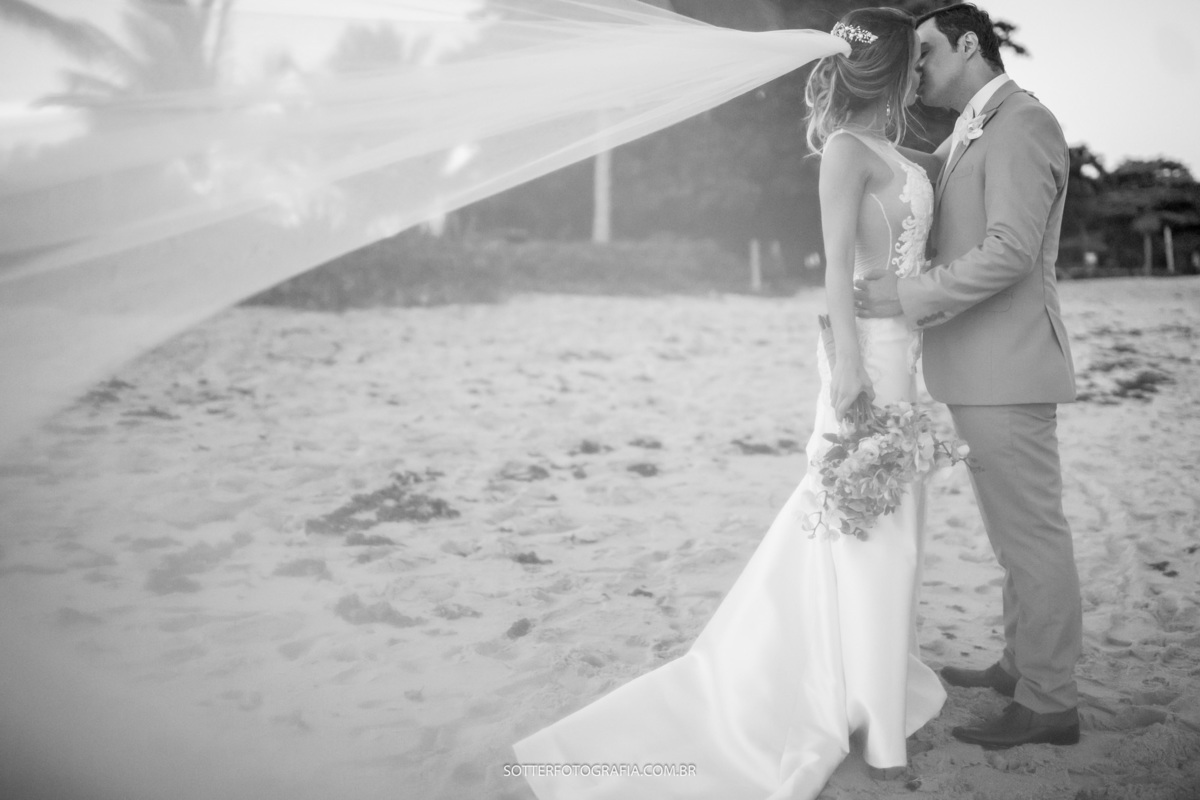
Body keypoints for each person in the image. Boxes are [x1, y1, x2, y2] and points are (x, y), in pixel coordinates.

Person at [512, 9, 949, 798]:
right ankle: (877, 732)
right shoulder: (845, 151)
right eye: (913, 62)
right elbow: (834, 265)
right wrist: (849, 364)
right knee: (871, 532)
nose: (921, 72)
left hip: (905, 353)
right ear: (888, 70)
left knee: (894, 534)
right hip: (869, 357)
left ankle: (867, 686)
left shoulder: (894, 150)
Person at [854, 2, 1082, 749]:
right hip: (979, 370)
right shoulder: (971, 129)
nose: (915, 67)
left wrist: (908, 296)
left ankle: (1050, 703)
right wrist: (854, 134)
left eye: (924, 51)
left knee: (1033, 538)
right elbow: (922, 182)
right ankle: (1022, 667)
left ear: (969, 44)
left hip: (1008, 368)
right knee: (1014, 539)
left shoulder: (1024, 123)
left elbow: (1011, 249)